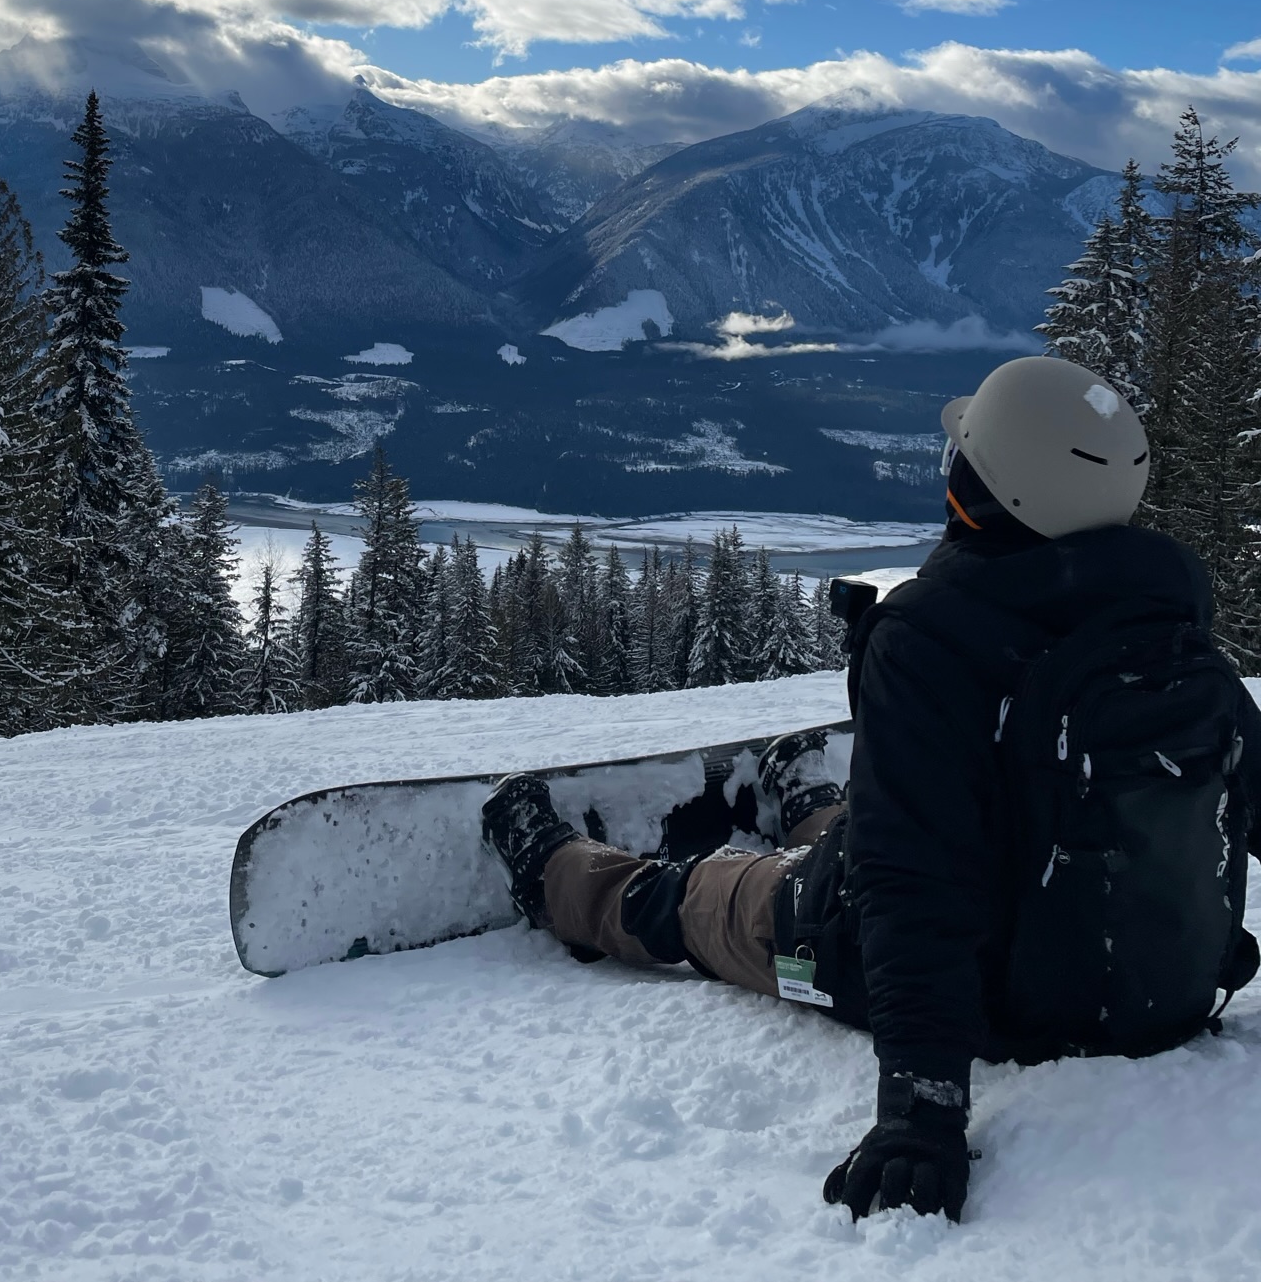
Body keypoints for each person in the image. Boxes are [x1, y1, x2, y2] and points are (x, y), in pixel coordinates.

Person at [482, 354, 1261, 1225]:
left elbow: (908, 882)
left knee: (709, 898)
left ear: (984, 489)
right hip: (1156, 990)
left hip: (1000, 998)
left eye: (962, 459)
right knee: (888, 823)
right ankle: (812, 808)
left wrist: (921, 1111)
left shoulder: (934, 636)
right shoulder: (1167, 625)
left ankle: (558, 877)